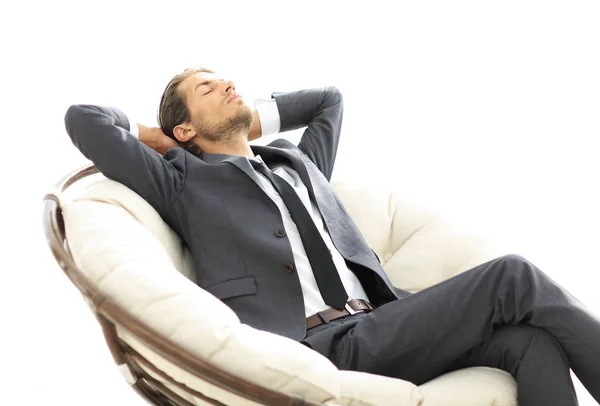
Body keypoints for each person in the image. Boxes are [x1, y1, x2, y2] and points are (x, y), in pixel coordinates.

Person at [65, 67, 600, 405]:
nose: (229, 83)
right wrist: (161, 137)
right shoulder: (181, 181)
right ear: (185, 129)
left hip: (381, 325)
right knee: (513, 276)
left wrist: (242, 122)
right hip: (313, 344)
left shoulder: (301, 164)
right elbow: (85, 119)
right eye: (208, 87)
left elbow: (328, 99)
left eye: (227, 78)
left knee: (529, 343)